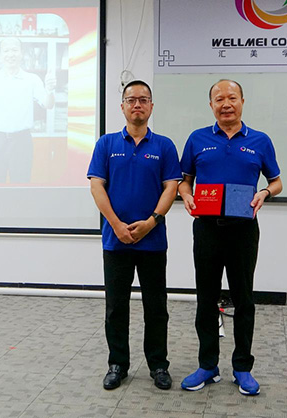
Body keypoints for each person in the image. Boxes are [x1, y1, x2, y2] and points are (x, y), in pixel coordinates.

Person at [178, 79, 282, 396]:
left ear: (242, 102)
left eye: (232, 98)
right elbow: (184, 181)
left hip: (243, 231)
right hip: (207, 229)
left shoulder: (260, 141)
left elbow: (276, 182)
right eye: (219, 99)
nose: (226, 104)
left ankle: (242, 368)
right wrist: (187, 196)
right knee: (206, 298)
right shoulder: (197, 139)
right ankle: (208, 365)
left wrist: (264, 193)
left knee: (244, 299)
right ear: (211, 105)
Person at [87, 80, 181, 390]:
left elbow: (171, 187)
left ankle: (158, 365)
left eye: (143, 99)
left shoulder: (164, 146)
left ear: (151, 106)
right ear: (123, 106)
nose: (137, 105)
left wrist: (151, 222)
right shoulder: (106, 144)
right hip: (116, 240)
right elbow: (97, 186)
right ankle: (117, 364)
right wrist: (116, 224)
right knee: (116, 307)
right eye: (131, 100)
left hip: (152, 241)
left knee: (156, 308)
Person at [0, 37, 55, 183]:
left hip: (21, 140)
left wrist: (50, 90)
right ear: (0, 55)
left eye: (14, 50)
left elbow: (48, 104)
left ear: (22, 53)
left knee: (21, 182)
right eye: (6, 51)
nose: (10, 54)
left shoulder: (32, 79)